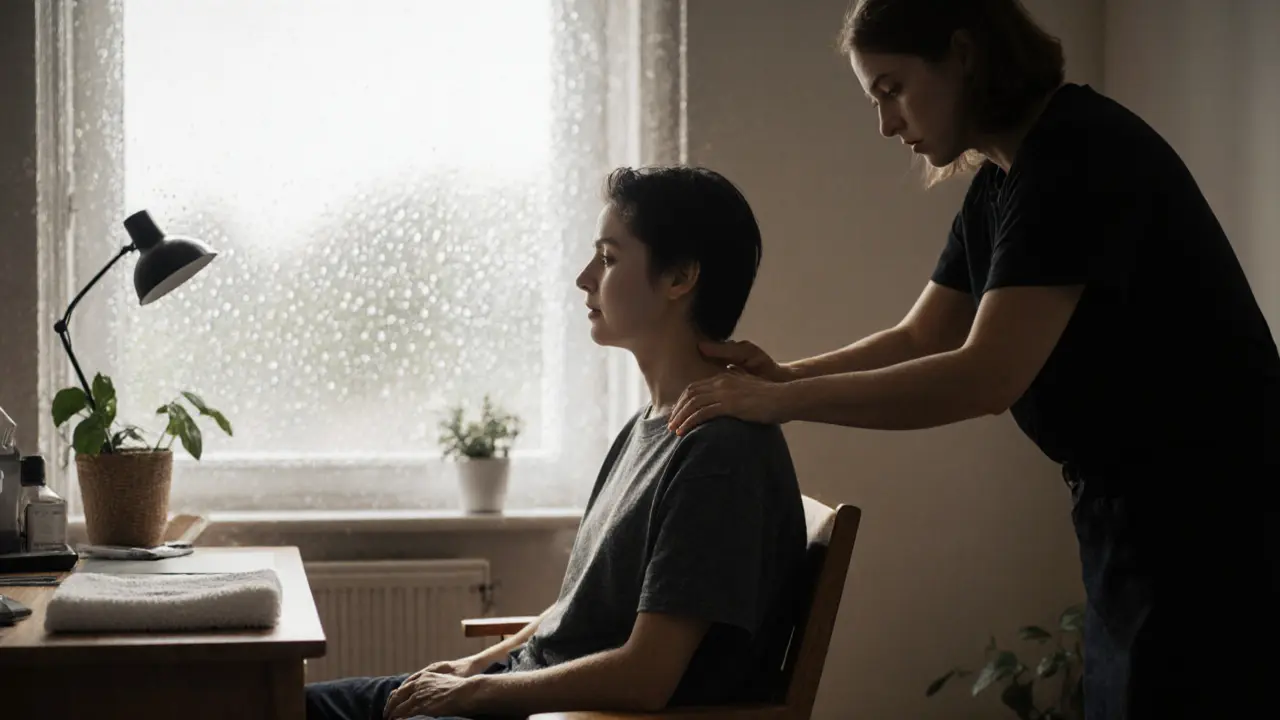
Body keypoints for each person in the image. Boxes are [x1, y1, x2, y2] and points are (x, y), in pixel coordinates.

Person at [665, 1, 1279, 718]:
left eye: (891, 88)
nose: (887, 124)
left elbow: (985, 375)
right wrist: (787, 375)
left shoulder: (1075, 155)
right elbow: (922, 336)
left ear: (962, 53)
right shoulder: (1003, 182)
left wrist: (780, 403)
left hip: (1215, 524)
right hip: (1142, 521)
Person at [305, 165, 808, 720]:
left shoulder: (719, 452)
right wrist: (474, 666)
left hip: (565, 713)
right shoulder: (651, 425)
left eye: (609, 258)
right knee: (279, 703)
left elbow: (645, 679)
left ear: (680, 277)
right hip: (523, 687)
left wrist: (471, 694)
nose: (584, 277)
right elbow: (580, 611)